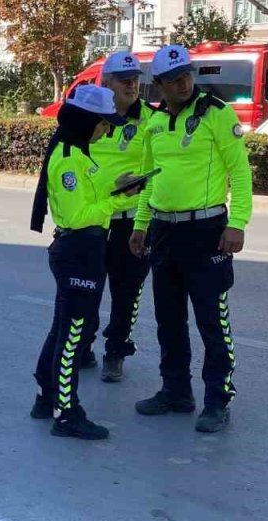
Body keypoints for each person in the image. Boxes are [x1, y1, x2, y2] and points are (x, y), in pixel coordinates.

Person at [128, 44, 253, 433]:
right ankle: (176, 391)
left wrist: (238, 222)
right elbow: (150, 179)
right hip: (164, 231)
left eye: (186, 74)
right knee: (169, 318)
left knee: (212, 321)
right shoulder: (154, 123)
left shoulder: (217, 114)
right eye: (173, 79)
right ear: (160, 86)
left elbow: (241, 172)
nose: (182, 82)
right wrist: (140, 224)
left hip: (207, 232)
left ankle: (218, 399)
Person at [29, 85, 144, 441]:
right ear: (87, 121)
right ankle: (67, 413)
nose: (107, 130)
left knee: (62, 328)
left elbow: (88, 194)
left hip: (83, 250)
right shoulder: (68, 159)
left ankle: (45, 397)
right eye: (103, 124)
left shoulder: (78, 153)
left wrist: (118, 188)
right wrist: (117, 202)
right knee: (73, 337)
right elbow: (80, 215)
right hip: (79, 250)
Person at [81, 51, 157, 384]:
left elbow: (161, 167)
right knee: (87, 289)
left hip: (131, 220)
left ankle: (116, 353)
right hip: (92, 219)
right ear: (105, 82)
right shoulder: (89, 116)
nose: (131, 86)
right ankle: (83, 346)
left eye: (135, 80)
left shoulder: (151, 120)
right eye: (124, 80)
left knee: (127, 292)